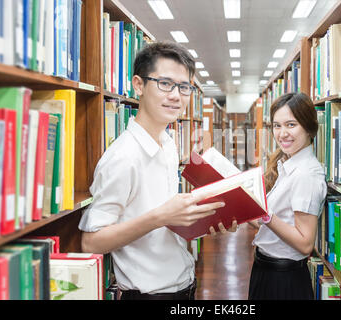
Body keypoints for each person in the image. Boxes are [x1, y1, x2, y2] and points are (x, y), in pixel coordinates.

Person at [78, 41, 233, 300]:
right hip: (148, 295)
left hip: (184, 284)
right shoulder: (122, 157)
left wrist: (207, 220)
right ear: (139, 85)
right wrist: (159, 217)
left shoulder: (169, 143)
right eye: (165, 83)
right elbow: (91, 242)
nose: (176, 95)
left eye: (184, 87)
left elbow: (166, 218)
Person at [247, 92, 327, 300]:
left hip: (283, 281)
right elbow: (282, 223)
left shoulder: (305, 175)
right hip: (266, 271)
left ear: (308, 127)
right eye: (277, 125)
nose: (282, 134)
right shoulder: (289, 165)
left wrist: (266, 215)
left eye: (291, 125)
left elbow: (304, 243)